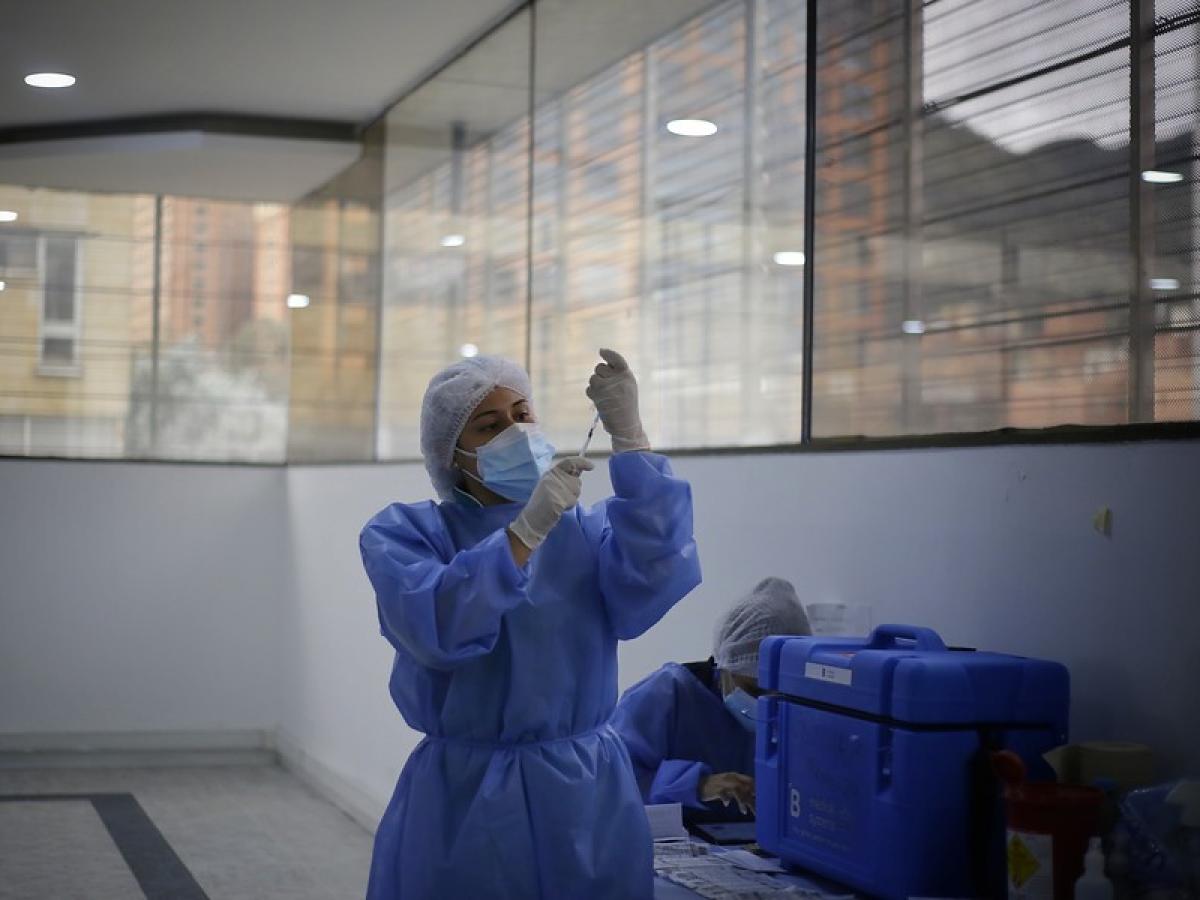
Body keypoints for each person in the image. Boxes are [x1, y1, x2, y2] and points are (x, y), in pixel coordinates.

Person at [359, 349, 701, 899]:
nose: (515, 433)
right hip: (469, 799)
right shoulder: (407, 534)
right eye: (489, 425)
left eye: (523, 415)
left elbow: (656, 571)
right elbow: (438, 624)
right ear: (451, 454)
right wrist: (523, 534)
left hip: (588, 794)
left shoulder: (581, 532)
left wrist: (631, 440)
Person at [611, 577, 810, 820]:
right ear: (724, 664)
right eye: (754, 690)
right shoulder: (667, 694)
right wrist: (699, 784)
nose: (766, 705)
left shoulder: (801, 715)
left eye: (780, 694)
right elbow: (612, 781)